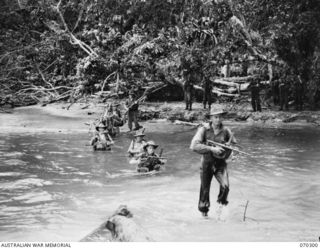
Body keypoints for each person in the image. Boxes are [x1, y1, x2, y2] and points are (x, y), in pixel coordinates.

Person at [190, 109, 236, 217]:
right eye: (215, 117)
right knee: (205, 190)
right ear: (211, 118)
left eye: (220, 117)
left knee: (226, 187)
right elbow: (193, 146)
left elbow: (234, 146)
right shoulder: (204, 130)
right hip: (206, 163)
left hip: (221, 164)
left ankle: (220, 210)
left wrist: (231, 154)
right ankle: (204, 214)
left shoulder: (226, 131)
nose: (218, 119)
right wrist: (211, 149)